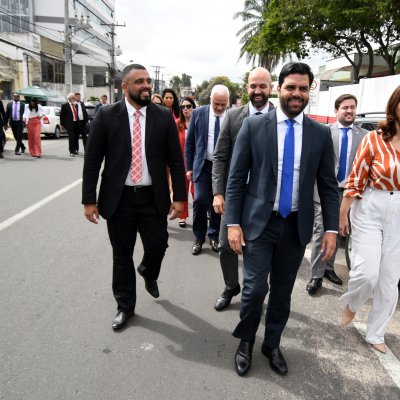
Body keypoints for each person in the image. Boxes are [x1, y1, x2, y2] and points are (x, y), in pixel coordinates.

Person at [225, 62, 339, 377]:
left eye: (303, 88)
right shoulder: (254, 126)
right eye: (291, 87)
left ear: (309, 90)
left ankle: (271, 343)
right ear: (279, 88)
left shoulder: (319, 133)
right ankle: (246, 339)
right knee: (254, 289)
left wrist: (330, 229)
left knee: (283, 291)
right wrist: (233, 223)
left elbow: (328, 187)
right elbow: (235, 180)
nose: (296, 94)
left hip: (295, 226)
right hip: (258, 223)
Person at [82, 63, 186, 331]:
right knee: (121, 255)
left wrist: (180, 199)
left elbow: (175, 159)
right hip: (119, 199)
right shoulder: (106, 116)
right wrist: (89, 200)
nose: (146, 86)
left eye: (148, 81)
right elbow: (92, 160)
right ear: (125, 87)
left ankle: (149, 272)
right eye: (139, 81)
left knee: (158, 245)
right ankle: (125, 307)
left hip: (153, 198)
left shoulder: (163, 116)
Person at [339, 85, 400, 354]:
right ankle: (352, 304)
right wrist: (343, 214)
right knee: (367, 273)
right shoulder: (374, 138)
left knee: (389, 278)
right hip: (370, 203)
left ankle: (375, 332)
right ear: (395, 104)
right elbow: (356, 177)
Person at [212, 67, 274, 311]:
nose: (257, 91)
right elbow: (219, 157)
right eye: (253, 86)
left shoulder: (280, 118)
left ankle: (255, 292)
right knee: (226, 245)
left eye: (262, 86)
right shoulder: (232, 116)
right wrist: (218, 192)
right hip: (234, 195)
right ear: (247, 87)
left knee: (259, 247)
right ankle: (230, 286)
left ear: (271, 88)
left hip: (265, 199)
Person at [306, 94, 367, 295]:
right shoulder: (324, 132)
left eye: (352, 107)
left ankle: (329, 269)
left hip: (350, 194)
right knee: (321, 232)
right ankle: (316, 275)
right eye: (345, 107)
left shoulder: (364, 136)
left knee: (338, 232)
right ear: (336, 111)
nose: (349, 111)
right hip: (325, 192)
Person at [185, 85, 230, 255]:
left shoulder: (232, 116)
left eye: (223, 104)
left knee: (218, 203)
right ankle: (198, 237)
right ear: (210, 100)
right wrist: (189, 167)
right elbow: (189, 143)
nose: (219, 108)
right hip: (202, 166)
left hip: (223, 169)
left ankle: (214, 235)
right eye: (216, 103)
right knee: (200, 200)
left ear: (228, 102)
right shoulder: (198, 113)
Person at [176, 97, 196, 227]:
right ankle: (182, 216)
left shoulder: (198, 123)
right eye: (183, 107)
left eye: (188, 106)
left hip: (196, 164)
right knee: (182, 191)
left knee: (196, 193)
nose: (185, 109)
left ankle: (200, 214)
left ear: (193, 107)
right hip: (181, 164)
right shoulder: (177, 124)